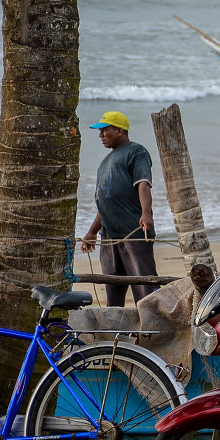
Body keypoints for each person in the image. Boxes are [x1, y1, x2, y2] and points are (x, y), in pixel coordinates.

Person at [80, 111, 158, 307]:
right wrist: (92, 232)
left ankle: (151, 333)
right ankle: (117, 335)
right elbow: (106, 202)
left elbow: (143, 184)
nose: (101, 135)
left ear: (119, 130)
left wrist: (146, 214)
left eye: (104, 130)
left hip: (135, 233)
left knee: (144, 290)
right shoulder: (104, 164)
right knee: (112, 293)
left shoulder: (136, 152)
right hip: (109, 238)